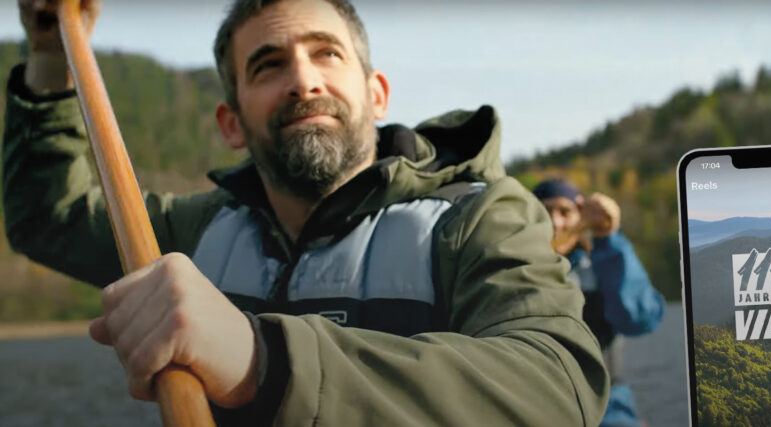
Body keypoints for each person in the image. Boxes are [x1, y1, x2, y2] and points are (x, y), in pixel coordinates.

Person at [5, 0, 608, 425]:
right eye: (268, 65)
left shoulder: (478, 217)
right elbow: (48, 216)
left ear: (376, 95)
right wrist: (49, 57)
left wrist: (263, 360)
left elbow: (558, 389)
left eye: (326, 54)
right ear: (231, 123)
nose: (303, 80)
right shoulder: (192, 232)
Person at [532, 179, 665, 427]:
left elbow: (639, 319)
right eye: (543, 211)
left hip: (606, 405)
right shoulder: (517, 272)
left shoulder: (602, 263)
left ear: (581, 213)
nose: (555, 222)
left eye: (564, 211)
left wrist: (608, 237)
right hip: (536, 405)